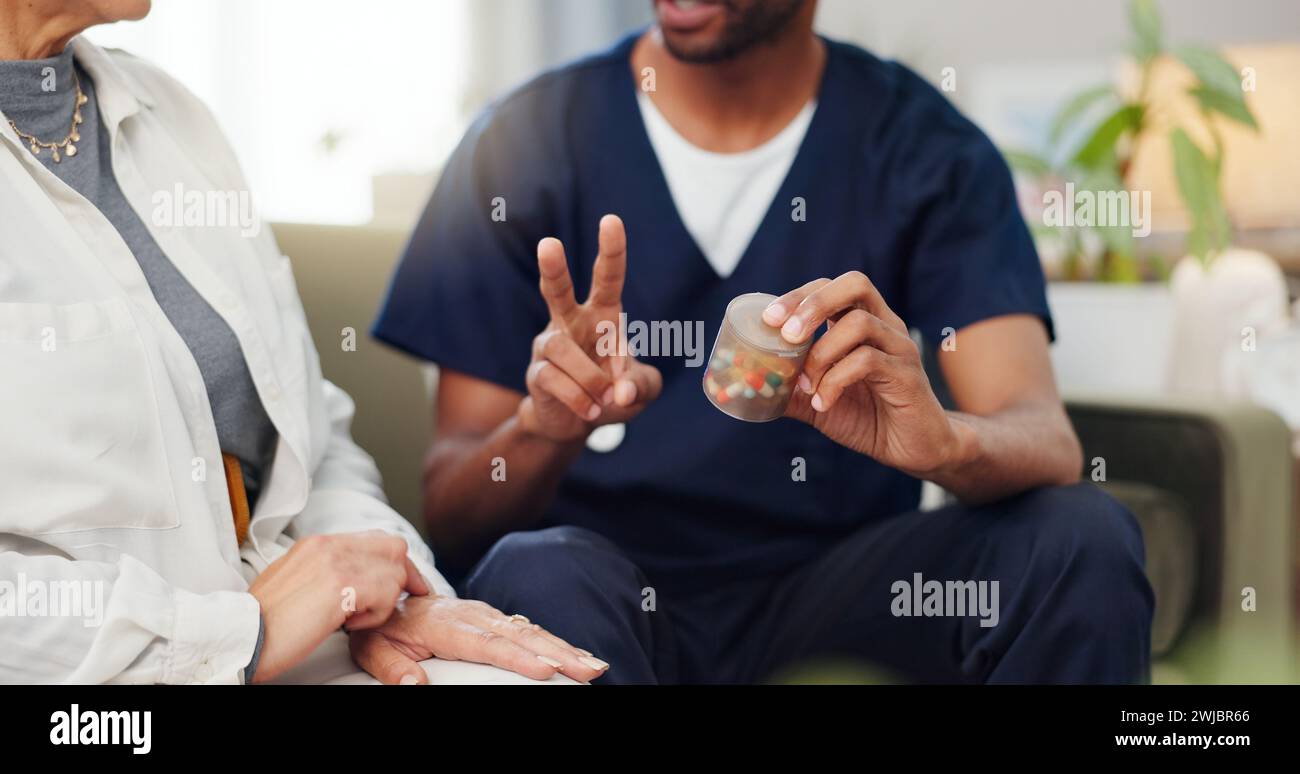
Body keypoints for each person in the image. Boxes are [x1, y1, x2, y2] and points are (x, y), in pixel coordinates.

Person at [373, 0, 1154, 684]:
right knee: (533, 568)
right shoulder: (523, 142)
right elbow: (452, 515)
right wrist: (542, 431)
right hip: (597, 599)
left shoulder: (926, 150)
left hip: (839, 599)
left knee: (1079, 538)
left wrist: (945, 443)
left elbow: (1044, 435)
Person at [0, 0, 606, 685]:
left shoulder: (172, 114)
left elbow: (309, 438)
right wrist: (243, 635)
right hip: (104, 692)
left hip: (291, 636)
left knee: (544, 679)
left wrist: (389, 589)